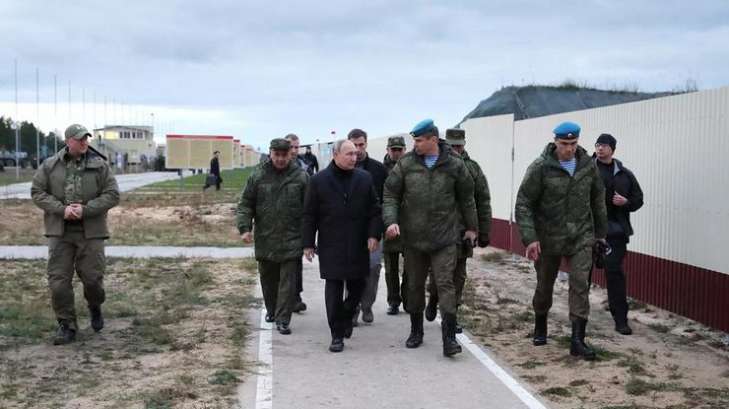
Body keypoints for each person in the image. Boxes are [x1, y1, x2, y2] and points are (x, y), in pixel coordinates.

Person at [383, 119, 477, 357]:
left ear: (433, 140)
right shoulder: (406, 164)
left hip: (445, 237)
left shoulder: (454, 165)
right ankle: (416, 331)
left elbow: (467, 198)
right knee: (414, 285)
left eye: (419, 140)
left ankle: (449, 339)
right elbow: (390, 194)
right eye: (414, 140)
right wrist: (391, 221)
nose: (415, 145)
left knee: (445, 284)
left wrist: (472, 229)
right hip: (414, 239)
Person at [515, 121, 608, 360]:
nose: (569, 148)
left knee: (580, 284)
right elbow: (524, 203)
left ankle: (577, 340)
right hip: (548, 237)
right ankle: (540, 323)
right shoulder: (540, 167)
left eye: (573, 143)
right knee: (545, 284)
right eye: (564, 143)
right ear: (555, 142)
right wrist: (530, 238)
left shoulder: (588, 166)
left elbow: (598, 199)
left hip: (581, 236)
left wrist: (600, 235)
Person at [30, 124, 120, 345]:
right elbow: (37, 192)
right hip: (60, 232)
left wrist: (85, 210)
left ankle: (95, 306)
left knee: (93, 280)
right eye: (80, 139)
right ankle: (67, 325)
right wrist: (62, 210)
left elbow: (112, 194)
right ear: (68, 141)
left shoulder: (99, 166)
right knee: (58, 281)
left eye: (86, 139)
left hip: (91, 232)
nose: (84, 142)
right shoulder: (50, 165)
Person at [302, 139, 381, 352]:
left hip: (358, 243)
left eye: (355, 154)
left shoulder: (364, 178)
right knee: (334, 289)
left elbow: (375, 210)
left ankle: (346, 315)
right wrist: (308, 243)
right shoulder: (318, 180)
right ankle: (336, 335)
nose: (354, 158)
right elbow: (309, 214)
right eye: (349, 154)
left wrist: (374, 235)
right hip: (331, 244)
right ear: (335, 155)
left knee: (358, 286)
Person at [237, 138, 308, 335]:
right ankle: (271, 310)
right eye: (277, 155)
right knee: (268, 280)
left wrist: (308, 238)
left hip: (292, 238)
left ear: (290, 154)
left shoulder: (300, 177)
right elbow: (245, 204)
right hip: (265, 238)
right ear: (270, 153)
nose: (280, 159)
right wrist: (244, 228)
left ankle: (283, 319)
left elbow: (309, 209)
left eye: (284, 155)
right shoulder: (258, 176)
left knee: (288, 283)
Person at [425, 128, 492, 332]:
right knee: (439, 274)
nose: (455, 149)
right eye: (452, 145)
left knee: (459, 276)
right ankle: (433, 298)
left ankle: (451, 317)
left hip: (463, 230)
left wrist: (484, 231)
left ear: (464, 145)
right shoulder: (436, 165)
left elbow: (483, 199)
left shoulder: (473, 168)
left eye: (459, 146)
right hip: (439, 230)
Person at [594, 133, 643, 335]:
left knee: (614, 274)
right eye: (598, 145)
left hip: (615, 232)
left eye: (604, 145)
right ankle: (578, 320)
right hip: (588, 231)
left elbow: (638, 199)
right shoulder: (586, 170)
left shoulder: (625, 174)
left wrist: (626, 202)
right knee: (582, 274)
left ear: (612, 149)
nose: (600, 148)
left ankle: (621, 320)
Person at [347, 128, 388, 325]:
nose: (358, 149)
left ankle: (367, 304)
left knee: (373, 268)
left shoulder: (378, 169)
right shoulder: (342, 167)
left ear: (366, 144)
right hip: (350, 229)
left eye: (361, 144)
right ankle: (352, 307)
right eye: (354, 145)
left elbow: (387, 199)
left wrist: (384, 225)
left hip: (374, 226)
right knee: (350, 270)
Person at [382, 135, 408, 315]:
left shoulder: (411, 167)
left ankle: (408, 298)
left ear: (405, 150)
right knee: (390, 268)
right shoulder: (381, 170)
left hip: (409, 224)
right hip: (389, 224)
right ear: (388, 150)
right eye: (394, 149)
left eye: (400, 149)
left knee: (411, 267)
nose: (397, 153)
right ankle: (393, 301)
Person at [284, 133, 308, 313]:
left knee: (296, 263)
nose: (293, 150)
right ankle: (283, 298)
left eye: (296, 147)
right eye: (290, 147)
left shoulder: (303, 169)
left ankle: (295, 297)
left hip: (296, 225)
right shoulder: (275, 167)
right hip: (278, 225)